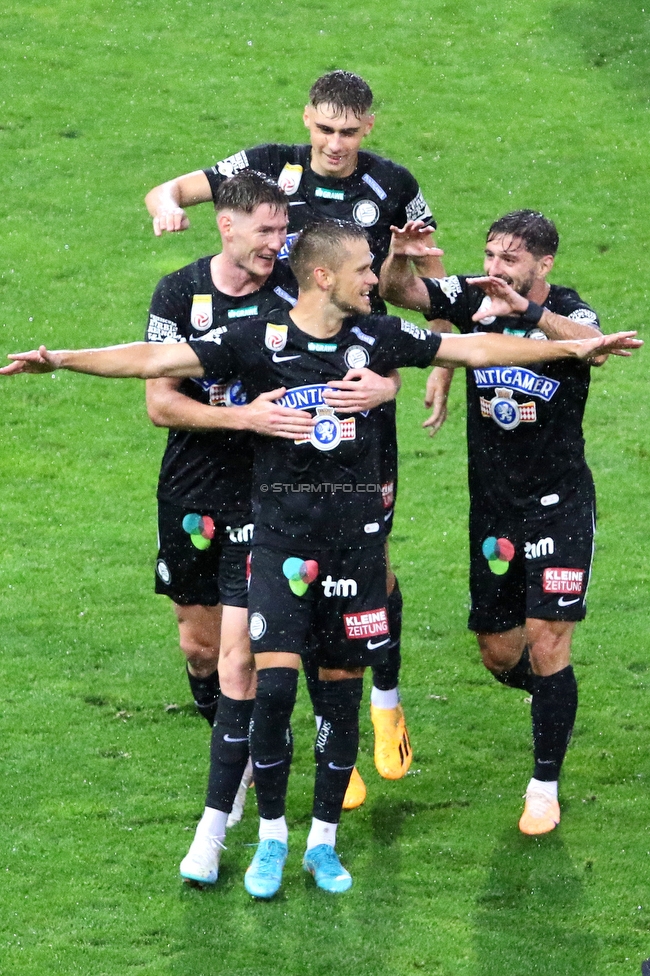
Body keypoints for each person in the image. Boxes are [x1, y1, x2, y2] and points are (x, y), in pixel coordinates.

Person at [3, 219, 638, 892]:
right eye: (365, 268)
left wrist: (585, 344)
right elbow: (156, 361)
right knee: (273, 690)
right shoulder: (258, 339)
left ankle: (324, 844)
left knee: (338, 704)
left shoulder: (377, 337)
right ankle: (272, 838)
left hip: (358, 548)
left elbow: (476, 349)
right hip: (281, 543)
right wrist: (63, 359)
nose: (376, 279)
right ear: (325, 277)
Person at [145, 69, 449, 796]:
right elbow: (175, 189)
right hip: (278, 395)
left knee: (362, 564)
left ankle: (381, 703)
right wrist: (162, 205)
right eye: (324, 130)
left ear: (368, 127)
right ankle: (292, 742)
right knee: (276, 593)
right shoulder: (264, 166)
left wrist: (420, 369)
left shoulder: (396, 186)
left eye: (349, 132)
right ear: (306, 120)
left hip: (354, 405)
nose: (335, 145)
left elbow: (418, 284)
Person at [142, 171, 398, 883]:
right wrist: (243, 417)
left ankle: (221, 825)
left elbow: (368, 345)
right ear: (226, 226)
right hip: (194, 491)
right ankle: (245, 753)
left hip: (272, 504)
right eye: (265, 231)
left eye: (284, 232)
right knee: (200, 650)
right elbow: (160, 403)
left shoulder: (298, 292)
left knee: (245, 665)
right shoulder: (178, 294)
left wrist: (393, 384)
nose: (276, 244)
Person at [379, 209, 631, 835]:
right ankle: (555, 697)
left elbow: (587, 344)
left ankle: (543, 786)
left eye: (510, 260)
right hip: (494, 512)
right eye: (491, 255)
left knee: (548, 642)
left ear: (543, 266)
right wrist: (400, 254)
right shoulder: (473, 296)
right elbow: (399, 293)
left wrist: (528, 312)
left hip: (559, 504)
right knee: (499, 655)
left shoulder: (569, 312)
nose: (495, 270)